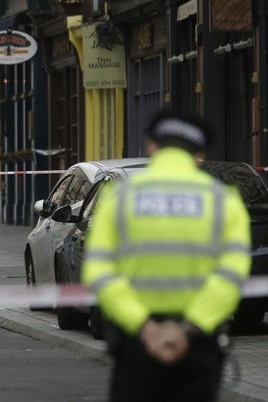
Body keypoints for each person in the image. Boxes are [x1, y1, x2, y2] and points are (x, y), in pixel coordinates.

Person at [81, 110, 252, 402]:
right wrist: (187, 330)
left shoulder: (120, 198)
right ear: (199, 153)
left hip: (137, 344)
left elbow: (98, 271)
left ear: (151, 147)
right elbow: (232, 274)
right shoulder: (223, 200)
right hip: (196, 344)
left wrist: (145, 329)